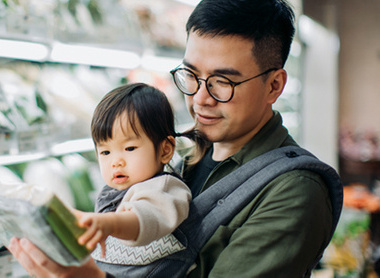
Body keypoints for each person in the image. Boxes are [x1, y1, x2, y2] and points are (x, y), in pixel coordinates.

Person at [8, 0, 341, 277]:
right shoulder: (187, 153)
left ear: (274, 86)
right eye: (191, 75)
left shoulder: (296, 191)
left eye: (222, 82)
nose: (200, 99)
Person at [73, 83, 192, 260]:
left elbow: (143, 218)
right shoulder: (110, 192)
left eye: (129, 148)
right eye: (105, 152)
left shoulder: (165, 188)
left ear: (165, 150)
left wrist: (108, 224)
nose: (116, 162)